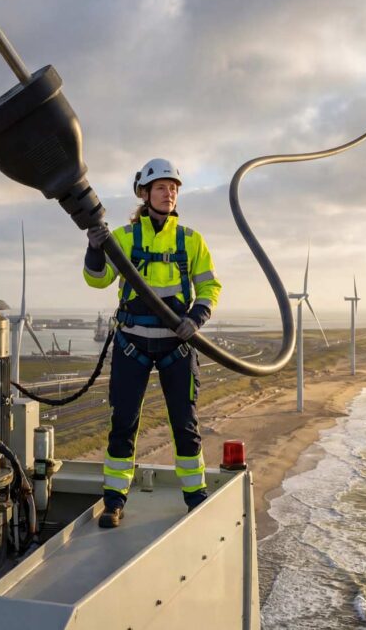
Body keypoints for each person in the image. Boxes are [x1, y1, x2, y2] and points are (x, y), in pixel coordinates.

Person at [83, 158, 222, 528]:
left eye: (173, 188)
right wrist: (95, 248)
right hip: (133, 345)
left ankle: (195, 497)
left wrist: (197, 318)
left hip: (177, 347)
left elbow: (209, 285)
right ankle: (114, 501)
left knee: (185, 425)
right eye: (161, 187)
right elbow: (97, 279)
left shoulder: (191, 240)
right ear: (144, 194)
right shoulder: (125, 238)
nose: (169, 194)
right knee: (123, 424)